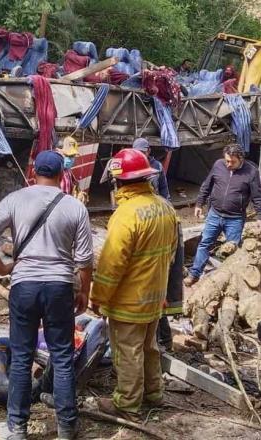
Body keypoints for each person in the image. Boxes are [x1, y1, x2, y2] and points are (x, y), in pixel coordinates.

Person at [0, 150, 94, 440]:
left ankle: (17, 429)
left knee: (22, 355)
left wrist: (2, 266)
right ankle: (66, 427)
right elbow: (85, 260)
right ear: (62, 176)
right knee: (62, 357)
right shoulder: (74, 207)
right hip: (59, 287)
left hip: (24, 286)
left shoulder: (16, 199)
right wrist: (84, 293)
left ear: (33, 173)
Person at [90, 148, 178, 421]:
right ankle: (154, 394)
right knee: (150, 347)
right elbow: (172, 253)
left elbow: (111, 264)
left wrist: (98, 296)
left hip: (129, 299)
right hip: (154, 297)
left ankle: (127, 404)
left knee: (128, 352)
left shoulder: (127, 214)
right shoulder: (165, 207)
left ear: (119, 181)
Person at [184, 144, 261, 287]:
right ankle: (194, 275)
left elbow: (258, 196)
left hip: (235, 219)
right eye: (227, 160)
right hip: (214, 214)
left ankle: (228, 283)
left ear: (241, 159)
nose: (228, 164)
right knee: (204, 244)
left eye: (232, 162)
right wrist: (199, 203)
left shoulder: (251, 172)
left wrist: (260, 216)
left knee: (232, 251)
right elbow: (207, 185)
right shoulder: (218, 165)